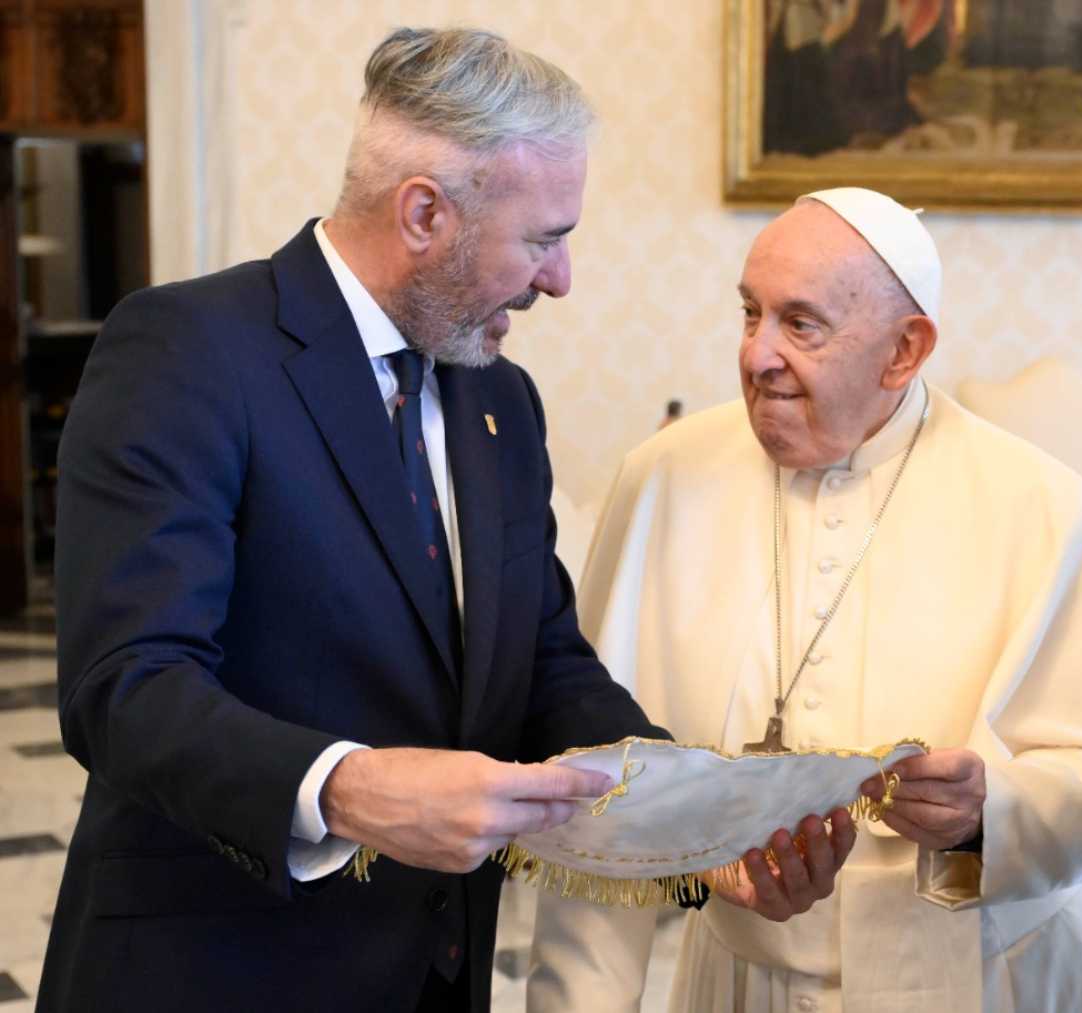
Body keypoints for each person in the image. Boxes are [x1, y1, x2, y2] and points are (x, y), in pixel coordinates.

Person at [40, 27, 848, 1013]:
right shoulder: (186, 349)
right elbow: (124, 686)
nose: (561, 279)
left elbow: (545, 663)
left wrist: (704, 825)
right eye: (544, 238)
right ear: (424, 212)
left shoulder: (498, 399)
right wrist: (348, 787)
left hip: (436, 972)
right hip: (219, 969)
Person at [529, 187, 1082, 1012]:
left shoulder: (1042, 505)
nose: (757, 355)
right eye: (749, 314)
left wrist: (984, 814)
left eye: (800, 325)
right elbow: (602, 787)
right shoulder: (665, 479)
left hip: (987, 979)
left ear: (904, 350)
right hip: (747, 980)